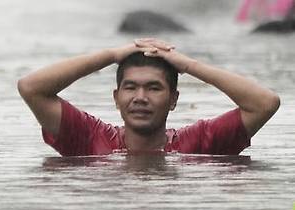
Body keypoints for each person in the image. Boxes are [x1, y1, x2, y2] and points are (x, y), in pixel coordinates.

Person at [17, 39, 280, 156]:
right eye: (130, 87)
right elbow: (31, 87)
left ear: (173, 99)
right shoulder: (88, 137)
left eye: (154, 88)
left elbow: (264, 103)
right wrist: (112, 54)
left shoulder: (200, 142)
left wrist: (188, 65)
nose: (140, 97)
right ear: (116, 97)